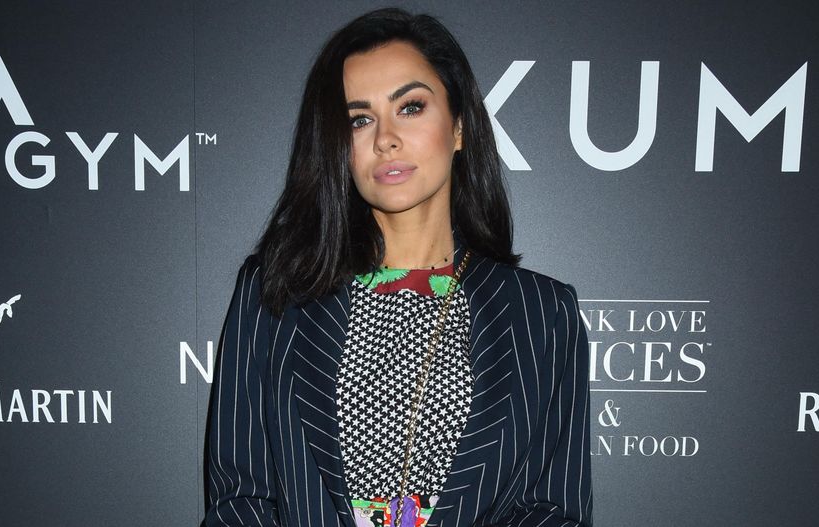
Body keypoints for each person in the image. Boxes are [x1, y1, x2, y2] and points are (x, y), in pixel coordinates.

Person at [204, 8, 592, 527]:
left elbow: (552, 510)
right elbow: (239, 498)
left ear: (458, 127)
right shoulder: (274, 291)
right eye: (359, 119)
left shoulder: (543, 313)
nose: (384, 137)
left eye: (410, 107)